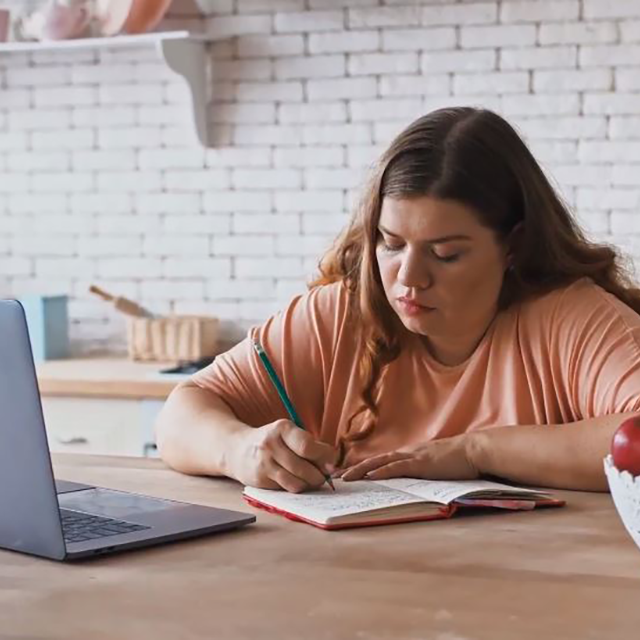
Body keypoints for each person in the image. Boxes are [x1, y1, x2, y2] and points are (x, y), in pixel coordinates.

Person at [155, 106, 640, 494]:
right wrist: (240, 450)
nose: (408, 278)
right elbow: (181, 413)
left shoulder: (572, 318)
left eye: (445, 254)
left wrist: (478, 452)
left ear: (512, 246)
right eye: (391, 244)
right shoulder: (341, 314)